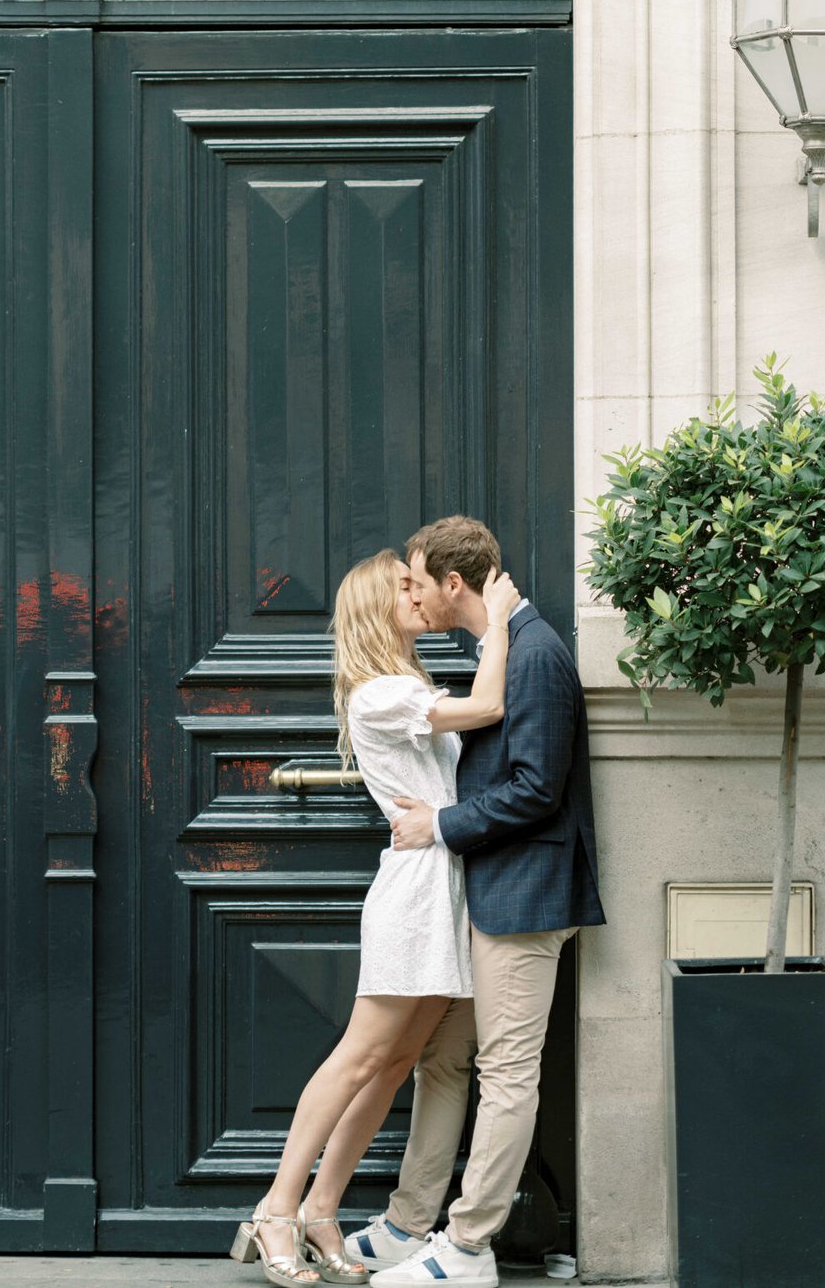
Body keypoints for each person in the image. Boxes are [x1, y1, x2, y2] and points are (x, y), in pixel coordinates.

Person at [231, 549, 523, 1287]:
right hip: (416, 893)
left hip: (446, 884)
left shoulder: (406, 682)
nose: (418, 594)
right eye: (404, 586)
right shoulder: (378, 693)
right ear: (375, 606)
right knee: (360, 1056)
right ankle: (276, 1206)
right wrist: (501, 627)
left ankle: (323, 1206)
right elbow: (488, 708)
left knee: (396, 1063)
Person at [359, 515, 605, 1286]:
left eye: (418, 581)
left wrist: (438, 823)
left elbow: (536, 788)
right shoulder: (506, 648)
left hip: (524, 899)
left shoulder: (533, 654)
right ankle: (408, 1222)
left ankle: (466, 1247)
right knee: (443, 1059)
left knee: (505, 1071)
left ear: (452, 583)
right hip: (489, 892)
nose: (413, 596)